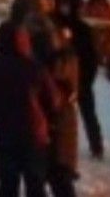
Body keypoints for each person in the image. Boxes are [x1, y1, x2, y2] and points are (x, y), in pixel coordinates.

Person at [0, 22, 58, 197]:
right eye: (24, 38)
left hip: (2, 137)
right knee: (35, 186)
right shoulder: (34, 68)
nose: (28, 42)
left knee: (8, 185)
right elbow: (52, 100)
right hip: (32, 137)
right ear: (17, 41)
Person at [55, 0, 102, 159]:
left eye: (67, 4)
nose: (64, 7)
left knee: (88, 112)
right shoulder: (53, 26)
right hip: (59, 79)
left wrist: (86, 79)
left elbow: (91, 56)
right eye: (61, 3)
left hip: (81, 77)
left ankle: (96, 146)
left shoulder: (82, 29)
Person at [46, 25, 80, 197]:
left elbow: (63, 82)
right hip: (61, 115)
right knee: (58, 167)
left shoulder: (65, 57)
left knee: (60, 169)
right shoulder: (60, 56)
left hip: (62, 115)